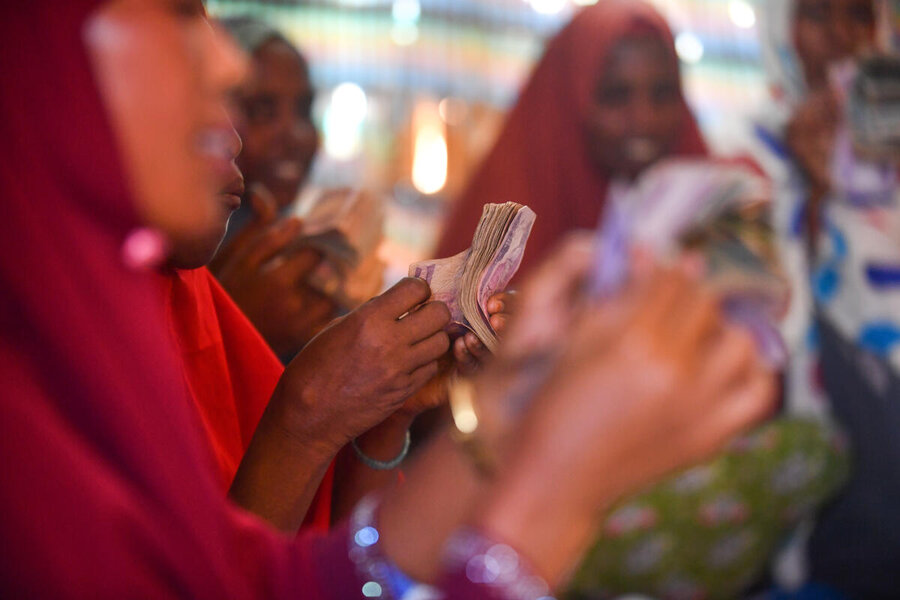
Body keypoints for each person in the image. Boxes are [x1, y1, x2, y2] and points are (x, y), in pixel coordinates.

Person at [0, 0, 775, 597]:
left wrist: (509, 410)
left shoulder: (97, 317)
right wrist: (548, 496)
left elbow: (276, 581)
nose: (228, 65)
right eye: (175, 14)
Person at [754, 1, 900, 596]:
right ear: (781, 32)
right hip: (821, 534)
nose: (843, 37)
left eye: (860, 13)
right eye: (816, 13)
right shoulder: (750, 160)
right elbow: (754, 327)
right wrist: (813, 196)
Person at [435, 0, 707, 279]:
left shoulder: (716, 214)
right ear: (566, 102)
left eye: (662, 94)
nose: (644, 119)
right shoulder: (501, 225)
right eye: (615, 95)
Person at [208, 17, 334, 358]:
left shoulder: (308, 253)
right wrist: (235, 325)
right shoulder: (180, 255)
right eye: (262, 110)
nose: (297, 135)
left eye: (305, 109)